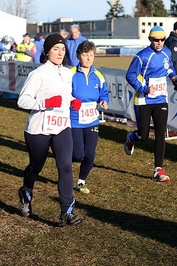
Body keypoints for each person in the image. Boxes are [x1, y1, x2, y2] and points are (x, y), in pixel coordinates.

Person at [17, 34, 83, 227]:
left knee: (65, 167)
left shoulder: (67, 73)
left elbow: (66, 95)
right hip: (39, 129)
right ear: (47, 52)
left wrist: (73, 102)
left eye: (62, 49)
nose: (60, 53)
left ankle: (67, 212)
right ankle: (26, 191)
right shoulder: (38, 74)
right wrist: (45, 103)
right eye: (56, 49)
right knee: (35, 167)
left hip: (62, 126)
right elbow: (22, 100)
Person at [124, 25, 177, 182]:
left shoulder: (167, 52)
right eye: (156, 40)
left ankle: (158, 170)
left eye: (162, 40)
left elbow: (168, 66)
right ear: (150, 39)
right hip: (144, 100)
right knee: (143, 136)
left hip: (161, 99)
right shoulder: (142, 56)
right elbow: (130, 75)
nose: (159, 43)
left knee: (160, 133)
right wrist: (144, 89)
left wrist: (174, 79)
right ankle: (131, 138)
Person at [70, 40, 109, 194]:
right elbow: (63, 93)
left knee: (90, 153)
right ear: (79, 56)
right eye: (85, 55)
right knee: (78, 154)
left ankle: (81, 181)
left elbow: (103, 93)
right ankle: (63, 161)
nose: (88, 59)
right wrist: (72, 101)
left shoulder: (98, 75)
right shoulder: (71, 74)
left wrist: (104, 100)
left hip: (92, 119)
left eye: (91, 55)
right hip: (75, 120)